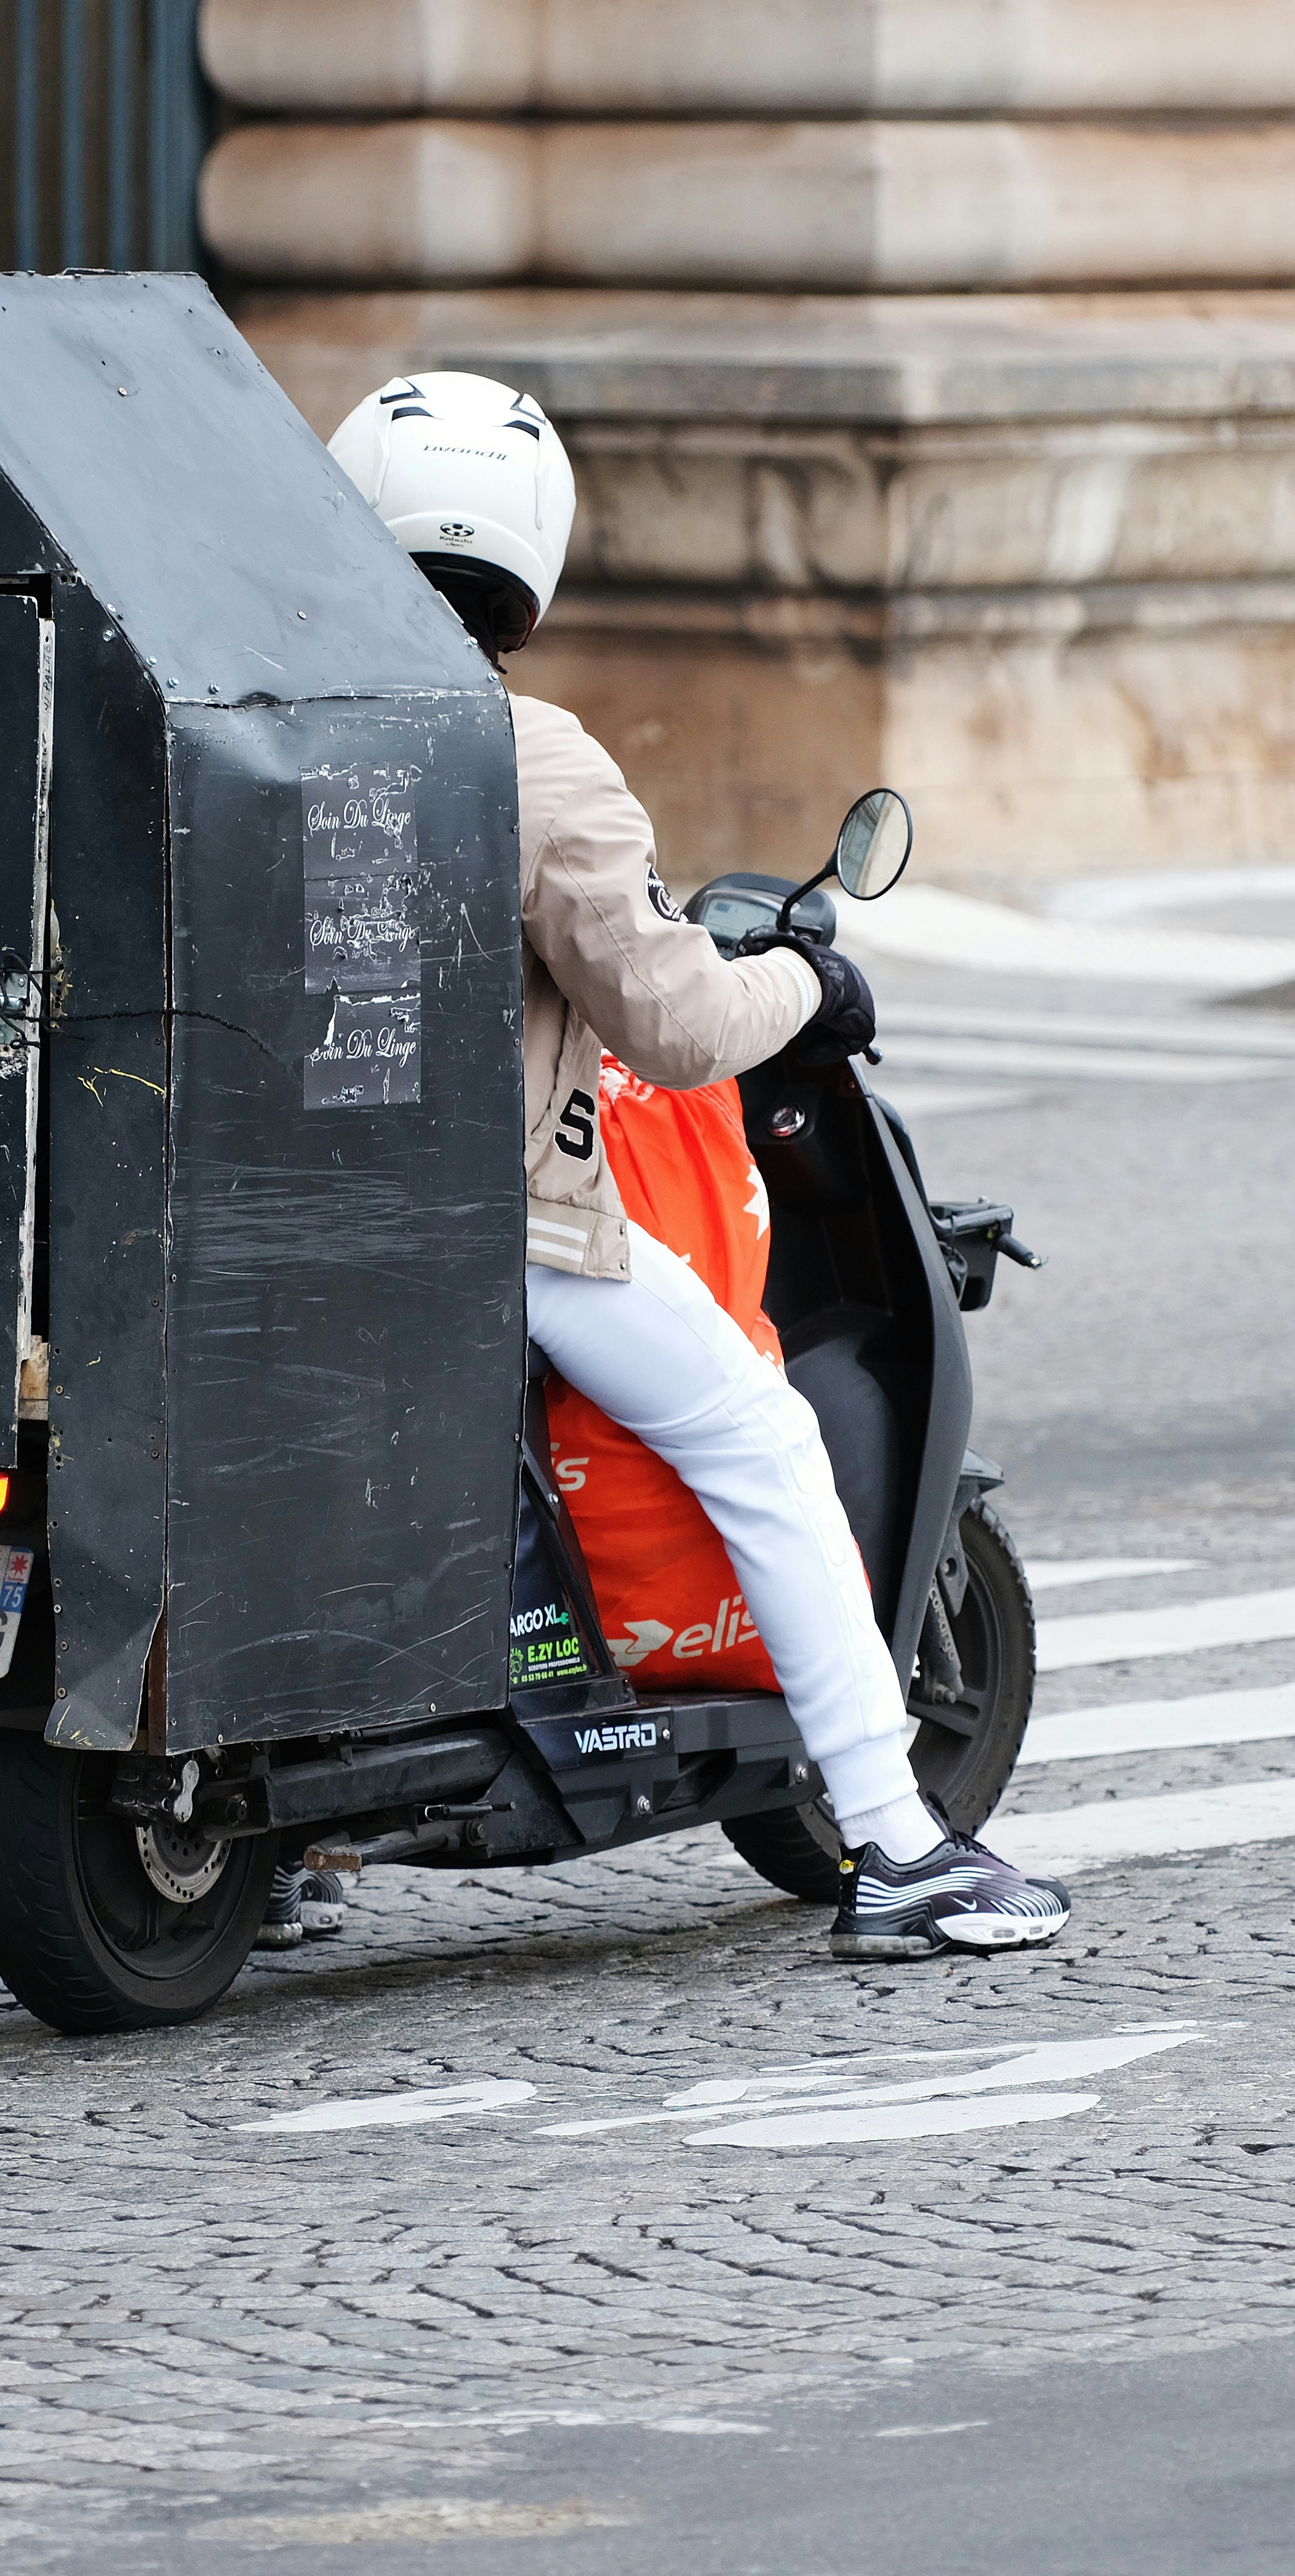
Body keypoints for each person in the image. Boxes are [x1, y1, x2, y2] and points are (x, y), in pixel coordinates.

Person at [311, 367, 1070, 1963]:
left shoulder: (258, 733)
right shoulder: (528, 757)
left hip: (272, 1219)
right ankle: (895, 1842)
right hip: (492, 1226)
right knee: (761, 1438)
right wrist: (813, 985)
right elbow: (664, 1020)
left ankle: (299, 1843)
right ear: (531, 548)